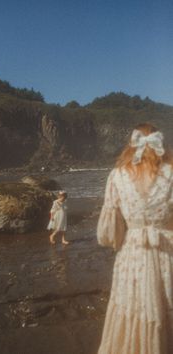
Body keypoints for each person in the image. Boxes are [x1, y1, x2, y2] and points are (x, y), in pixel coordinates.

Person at [96, 123, 173, 354]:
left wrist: (121, 238)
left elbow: (109, 232)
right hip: (167, 251)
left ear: (131, 145)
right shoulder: (171, 173)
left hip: (133, 253)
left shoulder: (117, 175)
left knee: (133, 307)